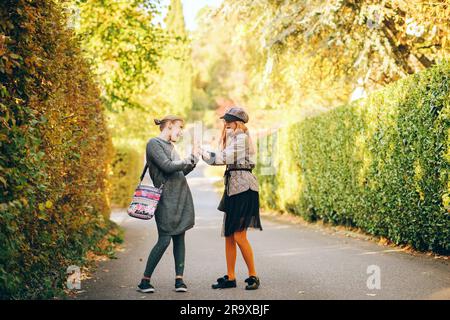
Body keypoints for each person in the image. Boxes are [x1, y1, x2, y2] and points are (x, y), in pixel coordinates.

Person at [200, 106, 262, 290]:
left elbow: (222, 158)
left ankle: (253, 276)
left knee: (239, 235)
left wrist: (202, 153)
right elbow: (222, 156)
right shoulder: (233, 138)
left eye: (228, 120)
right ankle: (231, 277)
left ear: (238, 123)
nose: (225, 123)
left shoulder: (241, 138)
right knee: (229, 235)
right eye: (225, 120)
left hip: (244, 189)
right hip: (233, 189)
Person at [137, 115, 199, 293]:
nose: (181, 132)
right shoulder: (153, 144)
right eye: (180, 127)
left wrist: (193, 159)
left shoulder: (171, 146)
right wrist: (187, 159)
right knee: (164, 240)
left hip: (180, 197)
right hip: (165, 200)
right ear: (169, 126)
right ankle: (144, 281)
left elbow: (179, 172)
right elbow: (167, 166)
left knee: (180, 237)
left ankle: (179, 280)